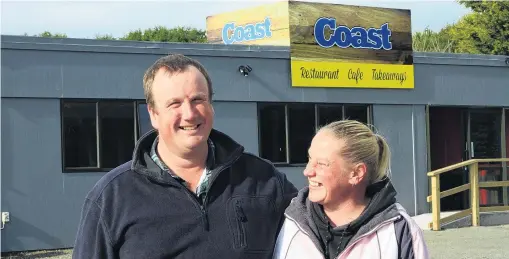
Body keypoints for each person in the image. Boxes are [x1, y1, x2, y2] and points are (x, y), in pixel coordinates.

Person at [72, 54, 298, 259]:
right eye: (174, 104)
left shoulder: (265, 180)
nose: (189, 114)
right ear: (153, 114)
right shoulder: (112, 197)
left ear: (211, 105)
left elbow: (317, 230)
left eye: (198, 100)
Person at [272, 120, 429, 259]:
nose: (307, 171)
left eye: (321, 164)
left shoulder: (399, 231)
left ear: (356, 173)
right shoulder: (289, 220)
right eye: (310, 159)